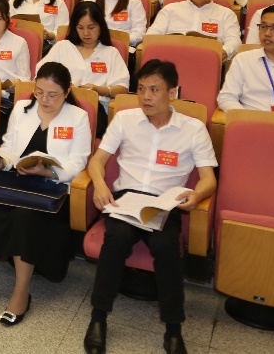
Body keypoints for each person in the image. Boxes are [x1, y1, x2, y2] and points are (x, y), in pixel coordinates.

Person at [83, 59, 217, 354]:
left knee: (167, 248)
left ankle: (173, 329)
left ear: (173, 93)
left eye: (154, 90)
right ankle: (98, 318)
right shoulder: (125, 119)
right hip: (126, 199)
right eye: (141, 89)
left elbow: (209, 178)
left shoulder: (193, 129)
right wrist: (101, 185)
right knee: (116, 239)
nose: (146, 96)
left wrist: (196, 195)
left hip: (164, 203)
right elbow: (97, 161)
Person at [0, 61, 92, 321]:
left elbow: (78, 163)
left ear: (67, 92)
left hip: (52, 191)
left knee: (25, 216)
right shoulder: (22, 108)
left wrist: (47, 172)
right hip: (17, 182)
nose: (44, 100)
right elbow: (9, 146)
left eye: (53, 95)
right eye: (39, 92)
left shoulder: (78, 117)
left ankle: (21, 292)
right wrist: (2, 160)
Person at [39, 2, 129, 132]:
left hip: (94, 109)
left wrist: (98, 90)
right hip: (61, 104)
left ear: (101, 26)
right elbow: (40, 75)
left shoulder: (110, 53)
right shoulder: (63, 47)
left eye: (91, 27)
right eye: (80, 28)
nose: (86, 33)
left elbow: (122, 89)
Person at [147, 0, 241, 58]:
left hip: (207, 59)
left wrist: (224, 52)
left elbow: (234, 40)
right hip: (170, 59)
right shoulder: (169, 10)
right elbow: (151, 36)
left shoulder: (226, 14)